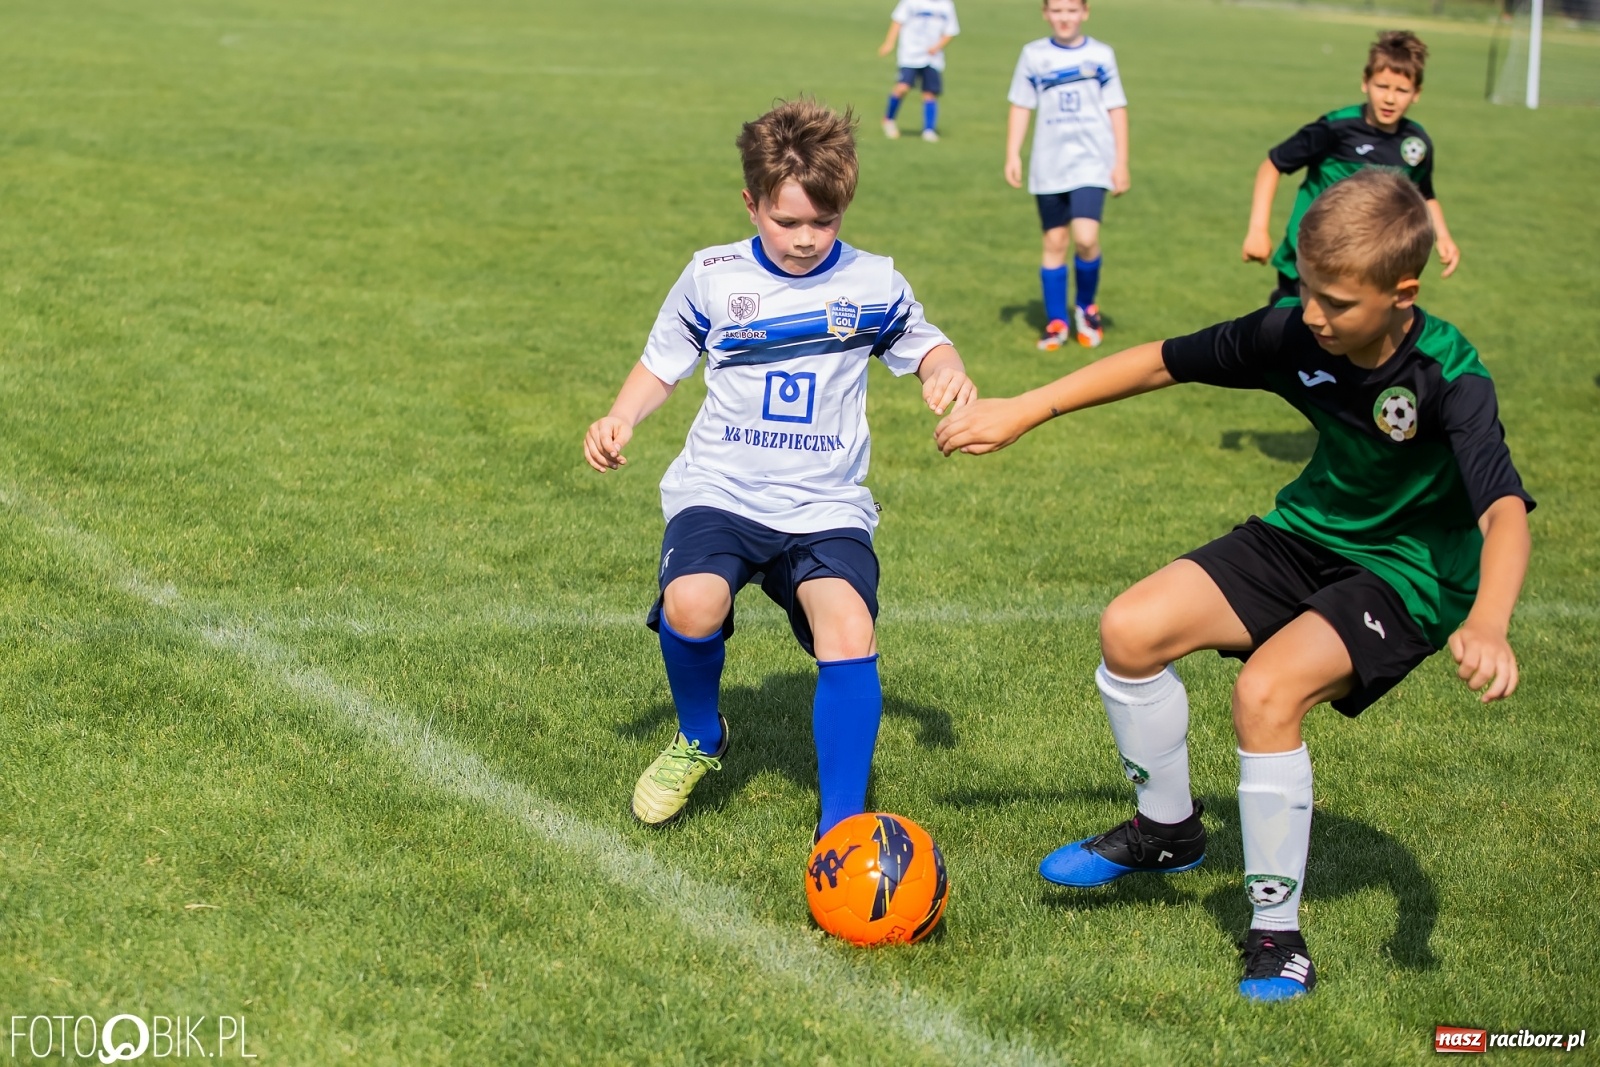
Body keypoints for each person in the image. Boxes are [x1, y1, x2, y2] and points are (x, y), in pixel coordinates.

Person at [934, 169, 1532, 1001]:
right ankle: (1167, 830)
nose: (1314, 315)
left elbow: (1504, 509)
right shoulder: (1298, 334)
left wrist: (1492, 621)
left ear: (1404, 293)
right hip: (1309, 531)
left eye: (1336, 302)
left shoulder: (1447, 378)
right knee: (1131, 629)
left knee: (1266, 693)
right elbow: (1160, 361)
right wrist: (1023, 409)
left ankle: (1276, 934)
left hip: (1408, 573)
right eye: (1308, 291)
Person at [584, 100, 977, 835]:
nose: (805, 239)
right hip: (721, 489)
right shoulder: (712, 275)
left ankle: (841, 828)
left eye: (823, 223)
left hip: (824, 502)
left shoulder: (872, 281)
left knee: (849, 630)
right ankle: (701, 737)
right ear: (751, 203)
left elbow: (928, 342)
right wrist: (619, 417)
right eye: (786, 221)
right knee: (691, 602)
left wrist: (942, 372)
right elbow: (662, 363)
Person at [1243, 30, 1460, 304]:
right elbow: (1272, 165)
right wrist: (1258, 230)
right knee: (1285, 341)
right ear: (1365, 82)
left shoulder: (1416, 144)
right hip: (1306, 262)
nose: (1390, 99)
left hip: (1365, 269)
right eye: (1382, 86)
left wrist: (1443, 237)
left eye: (1402, 90)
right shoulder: (1335, 128)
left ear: (1416, 93)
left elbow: (1424, 194)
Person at [1005, 0, 1129, 351]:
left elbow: (1117, 108)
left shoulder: (1102, 55)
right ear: (1045, 13)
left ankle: (1087, 308)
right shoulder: (1033, 55)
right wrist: (1013, 153)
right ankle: (1056, 320)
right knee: (1055, 242)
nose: (1065, 17)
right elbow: (1021, 105)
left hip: (1092, 162)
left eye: (1072, 10)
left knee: (1086, 237)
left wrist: (1122, 162)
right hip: (1049, 163)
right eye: (1057, 10)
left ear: (1085, 12)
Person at [878, 0, 961, 142]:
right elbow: (897, 21)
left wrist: (937, 46)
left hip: (932, 58)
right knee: (902, 88)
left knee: (930, 93)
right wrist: (889, 42)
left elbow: (951, 31)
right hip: (910, 55)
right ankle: (889, 120)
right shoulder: (911, 2)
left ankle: (929, 130)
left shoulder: (946, 5)